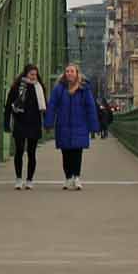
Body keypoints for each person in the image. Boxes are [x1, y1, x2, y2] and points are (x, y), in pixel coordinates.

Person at [44, 62, 100, 190]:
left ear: (77, 73)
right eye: (67, 71)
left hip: (79, 125)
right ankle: (68, 177)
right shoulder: (59, 88)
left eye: (71, 71)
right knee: (66, 153)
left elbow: (90, 107)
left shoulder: (84, 89)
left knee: (77, 152)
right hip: (63, 125)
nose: (69, 73)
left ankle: (76, 177)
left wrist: (94, 126)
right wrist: (48, 122)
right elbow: (52, 106)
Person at [3, 64, 47, 188]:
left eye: (35, 74)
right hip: (20, 122)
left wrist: (47, 122)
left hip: (34, 123)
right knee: (19, 150)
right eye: (31, 74)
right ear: (25, 74)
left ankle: (29, 179)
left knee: (32, 153)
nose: (33, 77)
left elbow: (45, 106)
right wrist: (6, 123)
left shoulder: (39, 88)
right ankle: (18, 179)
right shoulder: (17, 87)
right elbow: (8, 106)